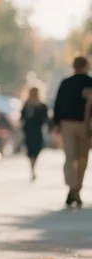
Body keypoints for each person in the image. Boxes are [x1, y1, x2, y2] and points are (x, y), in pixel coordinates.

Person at [53, 56, 92, 207]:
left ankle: (72, 188)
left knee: (70, 157)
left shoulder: (66, 83)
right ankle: (76, 190)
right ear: (86, 66)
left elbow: (58, 103)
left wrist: (56, 123)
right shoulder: (90, 82)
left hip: (68, 124)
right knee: (82, 159)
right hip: (85, 125)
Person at [21, 87, 49, 182]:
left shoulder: (41, 105)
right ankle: (32, 168)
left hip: (34, 130)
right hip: (32, 131)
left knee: (35, 150)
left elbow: (45, 119)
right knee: (32, 150)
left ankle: (32, 167)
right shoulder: (27, 105)